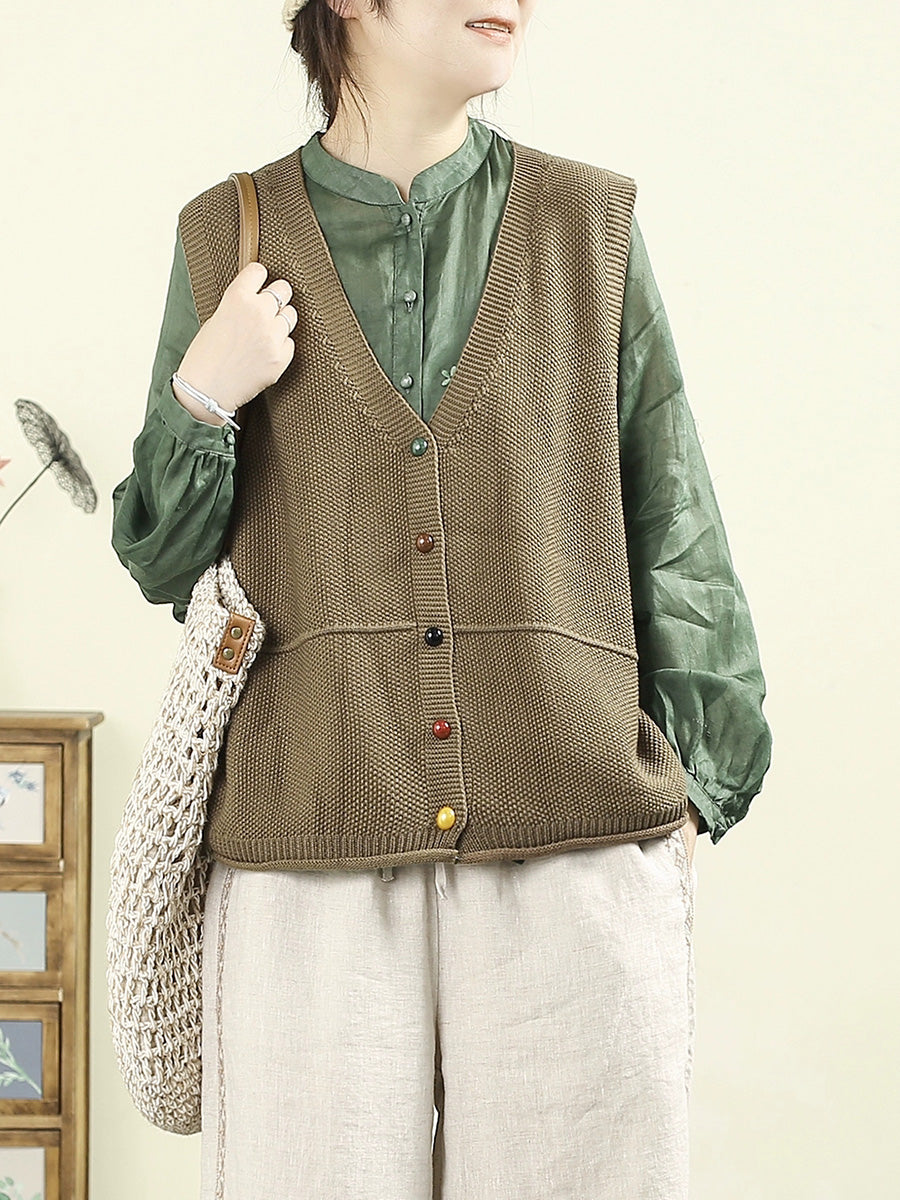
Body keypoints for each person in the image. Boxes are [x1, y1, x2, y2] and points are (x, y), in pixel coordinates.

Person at [110, 1, 772, 1196]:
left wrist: (693, 791)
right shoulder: (226, 236)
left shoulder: (588, 225)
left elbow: (673, 519)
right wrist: (203, 396)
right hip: (308, 856)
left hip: (572, 848)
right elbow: (165, 560)